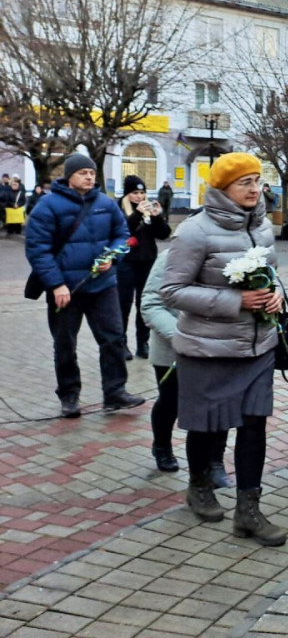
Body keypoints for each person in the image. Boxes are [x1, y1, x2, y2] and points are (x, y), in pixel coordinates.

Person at [161, 152, 286, 546]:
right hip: (208, 349)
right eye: (243, 182)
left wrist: (275, 296)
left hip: (258, 346)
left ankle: (248, 510)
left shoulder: (264, 228)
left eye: (256, 180)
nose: (253, 189)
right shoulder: (194, 231)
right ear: (221, 187)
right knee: (206, 425)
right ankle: (199, 485)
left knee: (254, 425)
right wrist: (237, 302)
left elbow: (273, 275)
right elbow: (172, 291)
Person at [25, 154, 145, 417]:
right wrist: (56, 285)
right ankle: (69, 396)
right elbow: (37, 250)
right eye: (82, 173)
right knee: (65, 344)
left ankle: (115, 393)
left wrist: (112, 256)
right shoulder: (47, 206)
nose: (89, 177)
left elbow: (122, 235)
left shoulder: (105, 203)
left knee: (114, 338)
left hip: (103, 286)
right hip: (67, 289)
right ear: (69, 176)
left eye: (91, 173)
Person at [141, 249, 231, 485]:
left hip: (217, 347)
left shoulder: (230, 253)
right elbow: (151, 304)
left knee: (218, 404)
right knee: (170, 401)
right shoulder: (171, 257)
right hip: (174, 348)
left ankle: (214, 462)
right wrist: (182, 336)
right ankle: (161, 446)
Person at [116, 175, 171, 360]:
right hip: (125, 262)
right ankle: (121, 342)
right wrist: (137, 214)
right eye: (135, 193)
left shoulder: (150, 208)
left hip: (146, 261)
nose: (139, 197)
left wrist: (157, 218)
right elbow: (122, 230)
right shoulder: (119, 208)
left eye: (142, 193)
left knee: (144, 303)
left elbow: (164, 234)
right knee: (123, 304)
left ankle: (142, 342)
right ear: (127, 194)